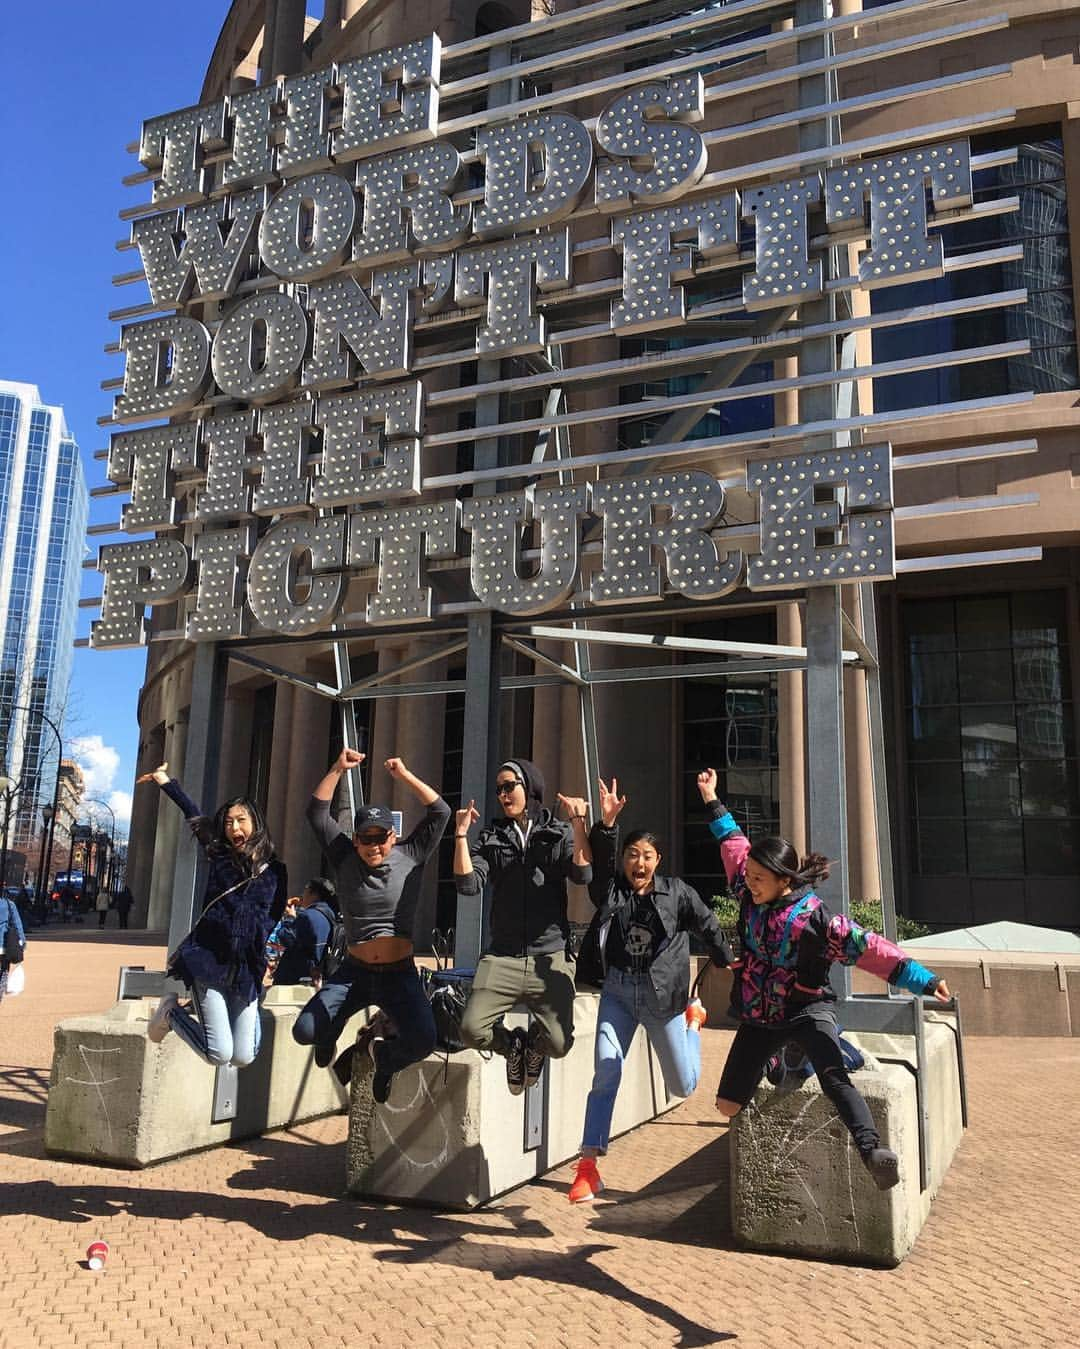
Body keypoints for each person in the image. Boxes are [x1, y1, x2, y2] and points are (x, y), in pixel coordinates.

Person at [699, 768, 950, 1190]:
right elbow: (733, 844)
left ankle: (873, 1151)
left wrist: (923, 979)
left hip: (806, 1006)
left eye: (760, 879)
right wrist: (711, 798)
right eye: (749, 877)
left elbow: (871, 948)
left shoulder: (817, 921)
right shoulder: (747, 888)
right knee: (726, 1105)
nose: (750, 883)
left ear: (784, 881)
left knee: (834, 1076)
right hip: (762, 1014)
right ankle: (784, 1055)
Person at [566, 777, 737, 1204]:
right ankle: (588, 1166)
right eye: (631, 856)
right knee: (606, 1067)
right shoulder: (613, 891)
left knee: (682, 1085)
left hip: (665, 1001)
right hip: (619, 994)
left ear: (657, 859)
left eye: (646, 856)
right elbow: (598, 866)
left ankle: (693, 1027)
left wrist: (725, 957)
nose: (637, 863)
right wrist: (606, 824)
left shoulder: (677, 893)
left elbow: (709, 924)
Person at [294, 750, 450, 1104]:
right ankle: (327, 1036)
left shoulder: (411, 855)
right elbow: (316, 813)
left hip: (400, 975)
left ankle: (385, 1060)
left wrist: (406, 776)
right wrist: (336, 768)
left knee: (424, 1040)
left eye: (381, 838)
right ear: (356, 839)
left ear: (393, 837)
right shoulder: (345, 858)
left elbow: (440, 812)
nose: (374, 846)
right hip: (354, 973)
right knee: (304, 1031)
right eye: (367, 838)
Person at [454, 759, 592, 1096]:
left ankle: (534, 1047)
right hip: (502, 956)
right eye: (498, 789)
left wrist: (577, 824)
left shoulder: (557, 832)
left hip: (550, 956)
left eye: (509, 786)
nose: (502, 794)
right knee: (471, 1030)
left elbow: (583, 875)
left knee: (559, 1043)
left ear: (529, 787)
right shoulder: (493, 836)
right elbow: (469, 885)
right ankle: (512, 1047)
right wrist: (459, 835)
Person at [137, 762, 288, 1067]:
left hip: (246, 969)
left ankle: (186, 1011)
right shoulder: (220, 855)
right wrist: (164, 780)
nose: (234, 828)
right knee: (218, 1054)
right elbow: (193, 814)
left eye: (241, 820)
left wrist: (263, 950)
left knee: (244, 1055)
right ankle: (171, 1012)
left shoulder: (276, 871)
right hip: (208, 961)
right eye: (229, 822)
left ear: (255, 823)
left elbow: (274, 915)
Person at [272, 877, 338, 987]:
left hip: (296, 975)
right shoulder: (329, 914)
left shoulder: (307, 916)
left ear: (314, 894)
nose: (302, 894)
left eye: (306, 889)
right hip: (316, 972)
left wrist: (289, 917)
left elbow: (285, 938)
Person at [1, 895, 26, 1004]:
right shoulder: (8, 904)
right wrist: (22, 942)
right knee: (3, 971)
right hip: (4, 944)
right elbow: (17, 925)